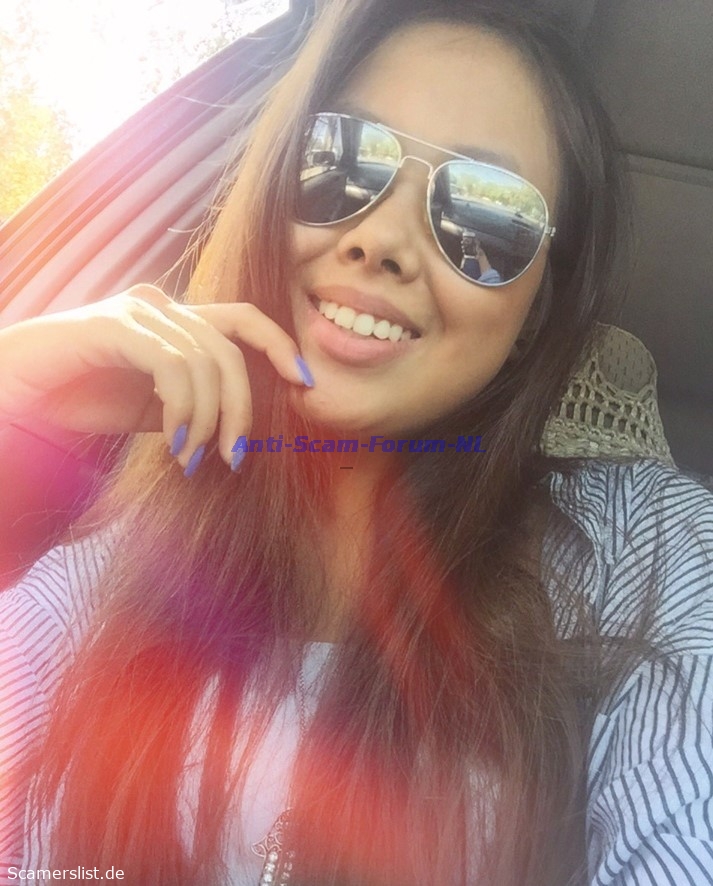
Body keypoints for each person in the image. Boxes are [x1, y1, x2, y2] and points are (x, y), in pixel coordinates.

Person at [1, 1, 712, 884]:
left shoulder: (649, 552)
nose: (380, 241)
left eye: (487, 217)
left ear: (536, 311)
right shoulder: (102, 572)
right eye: (339, 158)